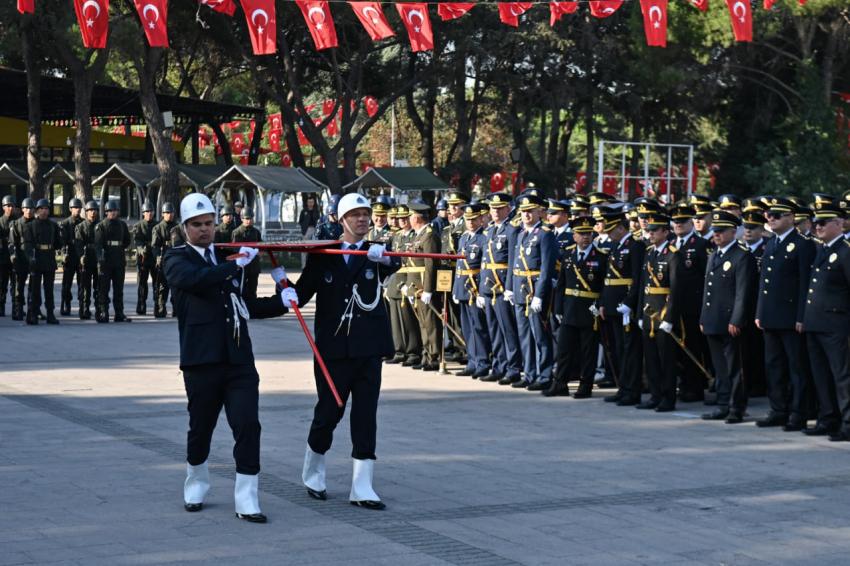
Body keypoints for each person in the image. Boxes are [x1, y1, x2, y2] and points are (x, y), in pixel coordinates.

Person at [165, 193, 289, 523]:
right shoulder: (176, 258)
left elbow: (246, 304)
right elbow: (197, 279)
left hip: (238, 360)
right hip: (201, 361)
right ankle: (196, 483)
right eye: (196, 224)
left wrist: (284, 300)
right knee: (201, 428)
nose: (205, 229)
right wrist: (235, 264)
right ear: (185, 227)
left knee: (248, 425)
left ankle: (247, 498)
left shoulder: (228, 258)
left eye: (208, 223)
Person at [291, 192, 401, 510]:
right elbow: (301, 293)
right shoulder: (324, 254)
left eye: (366, 214)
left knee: (365, 415)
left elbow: (395, 262)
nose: (362, 219)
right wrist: (282, 287)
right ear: (341, 220)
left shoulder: (375, 252)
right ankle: (313, 472)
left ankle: (362, 486)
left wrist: (384, 259)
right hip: (334, 350)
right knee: (329, 413)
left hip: (368, 349)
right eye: (355, 215)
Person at [754, 197, 815, 431]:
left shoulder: (802, 244)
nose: (771, 219)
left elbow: (805, 284)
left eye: (776, 215)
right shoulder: (771, 243)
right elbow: (764, 283)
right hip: (770, 315)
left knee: (796, 367)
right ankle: (778, 409)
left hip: (790, 317)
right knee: (774, 366)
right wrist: (760, 312)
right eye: (769, 215)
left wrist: (801, 316)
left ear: (791, 217)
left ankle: (798, 413)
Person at [700, 210, 755, 424]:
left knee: (734, 367)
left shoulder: (742, 255)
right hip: (713, 319)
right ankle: (723, 404)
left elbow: (743, 292)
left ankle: (736, 407)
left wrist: (737, 319)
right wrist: (704, 317)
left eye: (721, 231)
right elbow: (707, 290)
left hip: (730, 320)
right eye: (715, 230)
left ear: (733, 231)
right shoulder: (714, 254)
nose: (717, 234)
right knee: (720, 367)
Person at [801, 201, 850, 441]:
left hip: (836, 324)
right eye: (816, 223)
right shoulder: (822, 249)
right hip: (816, 323)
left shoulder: (846, 251)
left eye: (823, 222)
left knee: (842, 377)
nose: (817, 227)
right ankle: (828, 418)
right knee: (820, 375)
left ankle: (848, 423)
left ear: (838, 224)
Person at [545, 216, 608, 398]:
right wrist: (558, 308)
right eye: (581, 234)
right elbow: (561, 284)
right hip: (570, 308)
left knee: (588, 351)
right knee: (564, 350)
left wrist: (600, 304)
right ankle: (560, 384)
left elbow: (605, 286)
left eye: (588, 233)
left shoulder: (601, 256)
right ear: (574, 236)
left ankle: (585, 386)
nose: (585, 237)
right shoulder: (568, 254)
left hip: (589, 309)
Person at [505, 194, 557, 391]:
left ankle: (544, 375)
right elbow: (514, 263)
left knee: (540, 336)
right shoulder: (520, 234)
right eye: (523, 212)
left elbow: (546, 268)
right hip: (520, 290)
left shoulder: (545, 234)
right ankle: (529, 373)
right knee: (524, 336)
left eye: (530, 211)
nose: (526, 215)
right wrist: (510, 287)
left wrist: (539, 295)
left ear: (538, 212)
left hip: (535, 290)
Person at [599, 204, 645, 406]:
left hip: (626, 307)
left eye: (611, 230)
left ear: (620, 227)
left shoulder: (635, 246)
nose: (608, 235)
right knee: (618, 349)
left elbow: (637, 279)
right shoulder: (615, 246)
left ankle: (632, 390)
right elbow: (608, 278)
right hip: (612, 306)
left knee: (630, 350)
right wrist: (603, 302)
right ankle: (623, 387)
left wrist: (629, 303)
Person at [636, 212, 682, 412]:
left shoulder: (673, 254)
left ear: (665, 232)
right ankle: (655, 395)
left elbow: (676, 290)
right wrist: (640, 314)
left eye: (655, 230)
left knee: (666, 360)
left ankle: (668, 398)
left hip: (663, 313)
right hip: (649, 313)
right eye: (649, 230)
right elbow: (643, 286)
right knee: (651, 359)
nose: (651, 234)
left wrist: (669, 318)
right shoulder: (649, 253)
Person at [669, 202, 710, 402]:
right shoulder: (670, 244)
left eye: (683, 221)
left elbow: (706, 277)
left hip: (692, 305)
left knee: (692, 347)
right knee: (676, 348)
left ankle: (694, 387)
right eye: (676, 221)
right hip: (672, 306)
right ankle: (682, 383)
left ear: (692, 222)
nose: (679, 224)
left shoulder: (701, 245)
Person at [481, 193, 523, 385]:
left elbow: (513, 260)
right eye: (493, 208)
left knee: (508, 330)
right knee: (494, 330)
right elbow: (485, 261)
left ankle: (513, 368)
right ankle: (499, 366)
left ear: (508, 209)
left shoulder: (512, 230)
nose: (496, 212)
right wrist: (481, 288)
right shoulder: (489, 230)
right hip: (489, 286)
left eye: (499, 208)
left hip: (502, 285)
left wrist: (510, 287)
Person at [453, 203, 491, 378]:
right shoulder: (463, 238)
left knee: (478, 327)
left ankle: (482, 362)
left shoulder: (484, 238)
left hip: (475, 288)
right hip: (463, 287)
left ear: (481, 219)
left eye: (474, 219)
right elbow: (459, 265)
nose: (470, 222)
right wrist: (456, 289)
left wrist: (482, 293)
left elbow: (484, 267)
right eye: (468, 219)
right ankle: (472, 361)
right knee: (467, 328)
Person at [404, 199, 442, 371]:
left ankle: (434, 356)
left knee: (431, 323)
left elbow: (430, 264)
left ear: (417, 218)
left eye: (410, 216)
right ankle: (427, 355)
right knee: (423, 323)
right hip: (416, 286)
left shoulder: (429, 235)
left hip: (424, 287)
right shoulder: (419, 235)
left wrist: (428, 289)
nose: (409, 219)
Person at [23, 199, 62, 325]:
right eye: (41, 209)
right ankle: (33, 313)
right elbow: (27, 245)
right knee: (34, 289)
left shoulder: (53, 225)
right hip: (37, 258)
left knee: (49, 289)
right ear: (37, 210)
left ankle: (50, 313)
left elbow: (58, 243)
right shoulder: (30, 226)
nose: (44, 211)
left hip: (49, 258)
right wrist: (30, 257)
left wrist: (62, 236)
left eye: (46, 209)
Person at [94, 200, 132, 323]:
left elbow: (127, 241)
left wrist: (119, 249)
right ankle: (103, 312)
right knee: (103, 289)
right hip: (106, 260)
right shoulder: (101, 226)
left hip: (119, 260)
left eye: (115, 210)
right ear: (106, 212)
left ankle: (119, 313)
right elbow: (98, 244)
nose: (113, 213)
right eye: (110, 211)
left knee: (118, 289)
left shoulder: (122, 225)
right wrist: (100, 259)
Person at [9, 198, 35, 321]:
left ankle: (33, 309)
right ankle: (18, 309)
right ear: (22, 209)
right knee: (19, 286)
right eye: (26, 208)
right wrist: (13, 256)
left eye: (31, 208)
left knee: (34, 287)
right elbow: (12, 243)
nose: (29, 211)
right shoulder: (16, 224)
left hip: (33, 258)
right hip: (20, 258)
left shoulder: (37, 223)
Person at [152, 203, 179, 318]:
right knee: (162, 287)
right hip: (164, 261)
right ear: (163, 214)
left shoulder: (178, 228)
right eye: (167, 213)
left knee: (176, 287)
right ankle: (160, 309)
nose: (169, 215)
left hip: (176, 262)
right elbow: (155, 246)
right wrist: (158, 257)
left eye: (171, 212)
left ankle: (177, 309)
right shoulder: (158, 228)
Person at [59, 198, 84, 316]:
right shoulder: (65, 224)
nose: (77, 210)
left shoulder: (83, 223)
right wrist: (64, 255)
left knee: (82, 283)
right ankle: (66, 304)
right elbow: (62, 242)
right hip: (70, 256)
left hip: (80, 256)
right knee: (66, 284)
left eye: (79, 207)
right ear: (70, 209)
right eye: (75, 208)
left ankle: (82, 305)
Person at [75, 201, 100, 320]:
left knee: (99, 286)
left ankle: (99, 308)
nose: (93, 212)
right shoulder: (80, 227)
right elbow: (78, 244)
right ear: (86, 212)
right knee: (85, 286)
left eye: (94, 210)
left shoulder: (101, 226)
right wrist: (81, 256)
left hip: (98, 258)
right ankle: (84, 308)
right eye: (90, 210)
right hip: (86, 259)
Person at [231, 209, 263, 300]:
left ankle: (253, 305)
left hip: (254, 265)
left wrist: (260, 251)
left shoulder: (256, 232)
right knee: (241, 289)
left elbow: (261, 244)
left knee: (253, 289)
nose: (249, 220)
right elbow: (234, 249)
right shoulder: (237, 232)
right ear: (242, 219)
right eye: (247, 218)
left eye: (251, 218)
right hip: (242, 265)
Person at [132, 201, 156, 315]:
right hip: (143, 258)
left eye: (151, 211)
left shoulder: (157, 225)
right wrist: (141, 250)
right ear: (143, 213)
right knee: (142, 283)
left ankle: (158, 305)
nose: (149, 213)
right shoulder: (138, 226)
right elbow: (137, 241)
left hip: (154, 256)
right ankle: (141, 305)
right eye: (146, 211)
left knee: (157, 282)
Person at [0, 195, 16, 316]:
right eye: (8, 206)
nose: (10, 208)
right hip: (3, 258)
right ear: (3, 207)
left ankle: (17, 307)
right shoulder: (0, 222)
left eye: (12, 206)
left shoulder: (17, 221)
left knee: (16, 285)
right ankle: (1, 307)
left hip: (15, 258)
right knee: (2, 284)